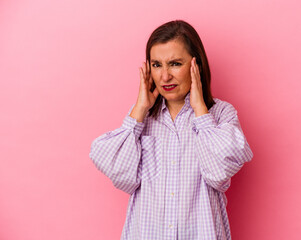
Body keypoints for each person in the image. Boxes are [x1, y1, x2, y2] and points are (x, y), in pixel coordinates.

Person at [89, 20, 253, 240]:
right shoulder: (140, 119)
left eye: (175, 63)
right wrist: (139, 110)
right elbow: (121, 176)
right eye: (156, 65)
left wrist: (200, 112)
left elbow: (218, 174)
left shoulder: (221, 114)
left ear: (197, 65)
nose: (164, 76)